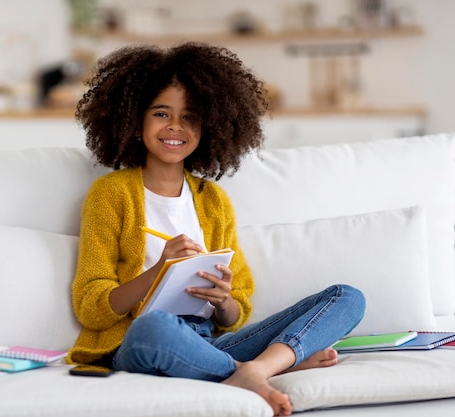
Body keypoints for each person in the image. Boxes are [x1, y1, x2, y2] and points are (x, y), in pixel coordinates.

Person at [68, 42, 365, 416]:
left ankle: (254, 369)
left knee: (348, 297)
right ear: (134, 119)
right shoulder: (109, 195)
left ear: (209, 126)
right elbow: (92, 309)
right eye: (161, 113)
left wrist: (223, 300)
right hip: (142, 341)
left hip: (209, 345)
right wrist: (159, 271)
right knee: (154, 327)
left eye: (190, 117)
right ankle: (259, 373)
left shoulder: (213, 201)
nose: (175, 127)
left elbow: (235, 313)